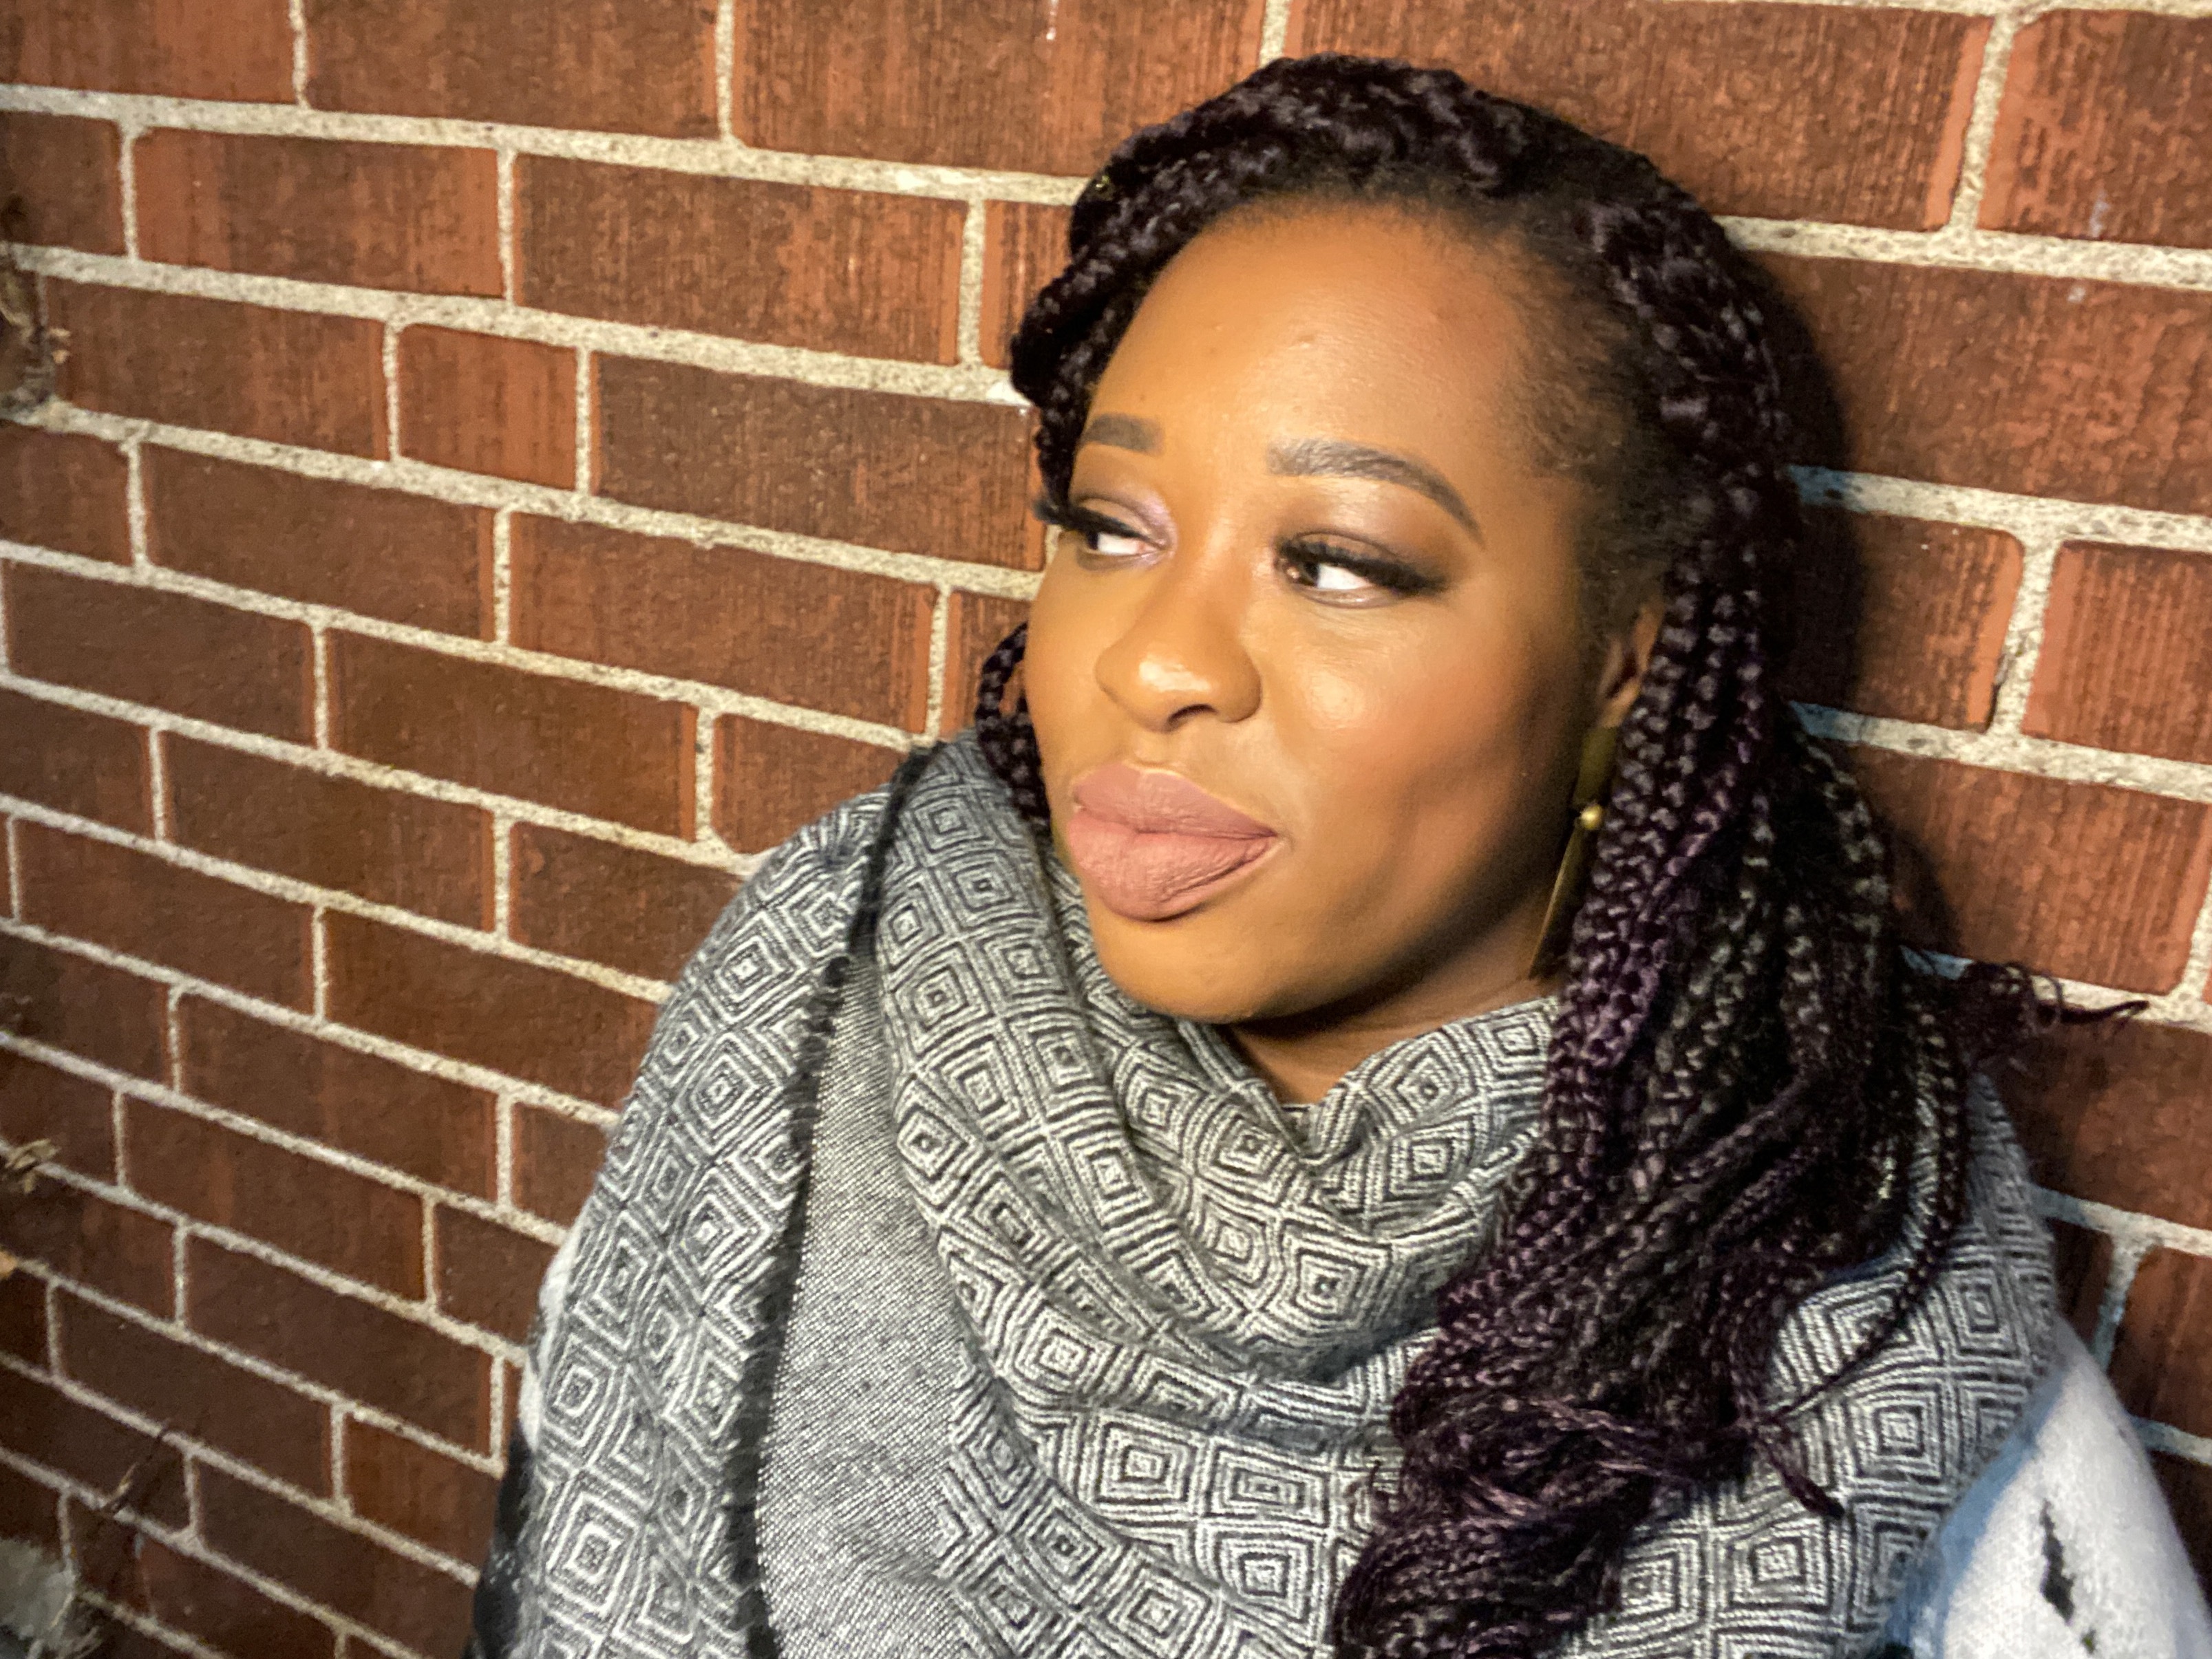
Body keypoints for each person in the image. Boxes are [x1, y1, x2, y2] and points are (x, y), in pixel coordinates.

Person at [465, 55, 2211, 1659]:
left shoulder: (1857, 1337)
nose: (1154, 662)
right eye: (1107, 528)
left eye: (1338, 565)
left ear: (1629, 660)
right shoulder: (826, 988)